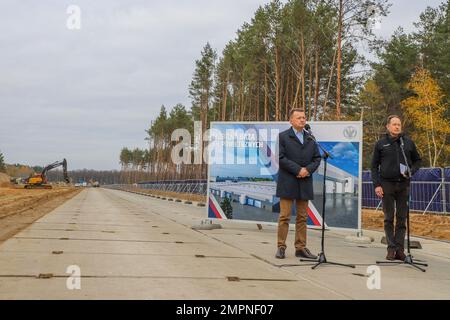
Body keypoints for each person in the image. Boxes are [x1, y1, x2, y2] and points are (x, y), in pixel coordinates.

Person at [371, 115, 421, 261]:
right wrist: (377, 185)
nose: (397, 127)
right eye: (394, 124)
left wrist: (411, 170)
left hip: (403, 184)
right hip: (387, 184)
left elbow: (418, 160)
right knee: (388, 218)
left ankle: (400, 249)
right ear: (388, 126)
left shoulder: (407, 143)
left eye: (399, 124)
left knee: (401, 218)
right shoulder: (381, 144)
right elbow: (374, 166)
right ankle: (391, 248)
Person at [275, 108, 321, 259]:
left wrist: (307, 170)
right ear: (291, 121)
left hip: (305, 181)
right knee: (285, 216)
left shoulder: (311, 138)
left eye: (304, 117)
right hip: (288, 181)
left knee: (302, 217)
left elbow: (317, 158)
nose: (302, 120)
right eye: (299, 118)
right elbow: (281, 158)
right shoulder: (283, 137)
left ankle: (300, 247)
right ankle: (281, 247)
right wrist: (298, 170)